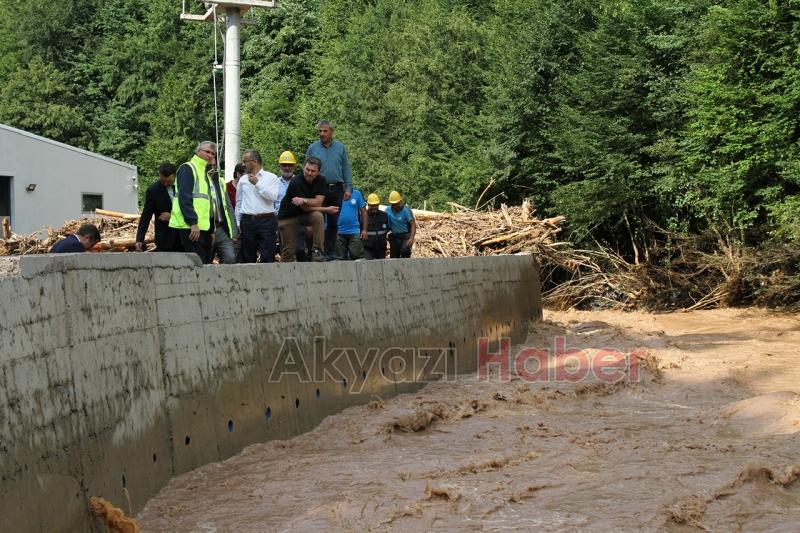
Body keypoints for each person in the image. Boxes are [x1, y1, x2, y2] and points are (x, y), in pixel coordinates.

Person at [305, 120, 352, 256]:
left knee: (333, 223)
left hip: (337, 189)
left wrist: (348, 188)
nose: (322, 133)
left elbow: (346, 169)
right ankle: (316, 251)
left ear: (331, 131)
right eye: (320, 131)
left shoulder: (340, 148)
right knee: (317, 220)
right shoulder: (312, 148)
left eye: (325, 131)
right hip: (318, 189)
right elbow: (306, 170)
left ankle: (330, 252)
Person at [169, 141, 218, 263]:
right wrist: (192, 223)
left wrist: (211, 230)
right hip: (190, 227)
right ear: (197, 151)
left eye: (213, 153)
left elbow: (209, 206)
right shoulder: (188, 168)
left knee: (205, 262)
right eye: (207, 152)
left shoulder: (205, 173)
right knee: (199, 263)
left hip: (203, 229)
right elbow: (184, 198)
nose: (210, 155)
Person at [277, 156, 330, 262]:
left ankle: (317, 250)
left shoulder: (322, 181)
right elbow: (306, 208)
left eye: (313, 171)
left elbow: (318, 201)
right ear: (303, 168)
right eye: (307, 170)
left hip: (304, 215)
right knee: (289, 252)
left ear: (318, 172)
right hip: (288, 216)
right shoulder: (296, 182)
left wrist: (304, 199)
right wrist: (327, 209)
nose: (309, 173)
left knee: (318, 216)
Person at [236, 149, 280, 263]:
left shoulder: (271, 177)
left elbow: (273, 197)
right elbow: (239, 202)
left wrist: (257, 184)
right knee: (247, 256)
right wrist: (237, 222)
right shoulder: (243, 179)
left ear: (254, 162)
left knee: (268, 255)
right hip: (247, 221)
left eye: (245, 161)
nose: (243, 164)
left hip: (267, 220)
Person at [135, 162, 181, 252]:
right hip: (164, 240)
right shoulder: (153, 190)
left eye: (168, 181)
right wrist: (139, 239)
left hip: (183, 238)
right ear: (159, 175)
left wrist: (172, 216)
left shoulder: (184, 186)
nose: (165, 184)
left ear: (175, 176)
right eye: (163, 180)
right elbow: (146, 216)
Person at [208, 165, 238, 264]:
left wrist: (234, 231)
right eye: (209, 164)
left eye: (214, 165)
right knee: (205, 260)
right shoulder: (198, 180)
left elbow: (228, 207)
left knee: (230, 258)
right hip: (206, 229)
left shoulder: (220, 181)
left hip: (222, 228)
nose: (212, 167)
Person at [334, 188, 367, 260]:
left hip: (354, 231)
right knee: (339, 259)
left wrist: (364, 230)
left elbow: (364, 212)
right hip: (338, 232)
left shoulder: (357, 193)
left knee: (358, 258)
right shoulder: (335, 193)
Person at [386, 190, 416, 259]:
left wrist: (411, 238)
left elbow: (413, 225)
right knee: (394, 256)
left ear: (400, 202)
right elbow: (387, 225)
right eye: (393, 204)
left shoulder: (406, 211)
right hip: (395, 236)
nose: (395, 206)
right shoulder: (387, 210)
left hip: (406, 235)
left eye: (397, 204)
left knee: (404, 251)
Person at [363, 193, 389, 260]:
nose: (374, 207)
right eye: (372, 205)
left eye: (376, 205)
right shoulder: (363, 216)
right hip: (368, 247)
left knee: (381, 267)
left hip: (381, 248)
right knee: (369, 265)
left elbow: (388, 228)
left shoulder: (384, 215)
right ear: (368, 205)